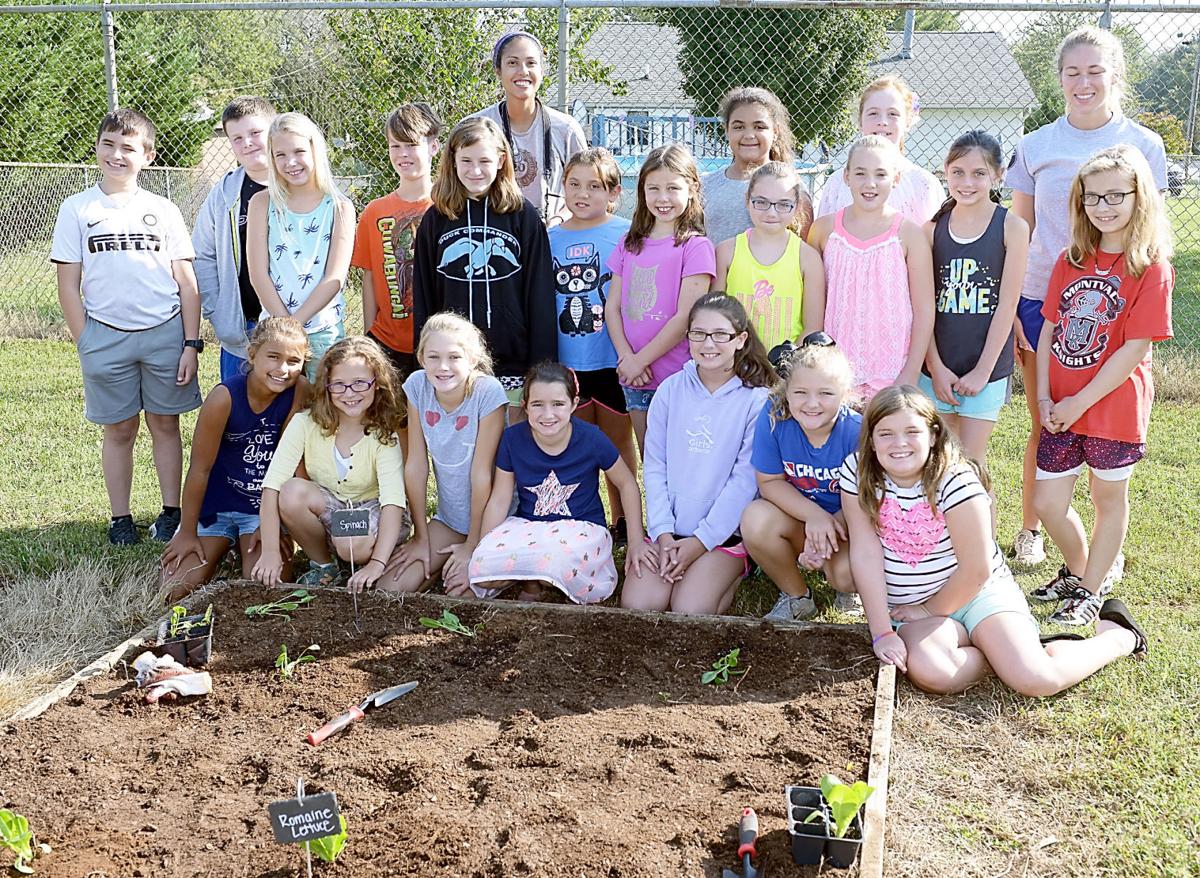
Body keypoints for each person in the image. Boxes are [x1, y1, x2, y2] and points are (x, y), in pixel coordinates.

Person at [844, 386, 1147, 697]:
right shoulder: (858, 472)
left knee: (1035, 679)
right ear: (870, 438)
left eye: (912, 431)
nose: (900, 444)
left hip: (977, 594)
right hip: (913, 603)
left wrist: (928, 610)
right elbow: (865, 553)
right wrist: (882, 632)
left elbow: (976, 571)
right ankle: (998, 650)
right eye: (885, 434)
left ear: (933, 434)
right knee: (934, 673)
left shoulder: (957, 480)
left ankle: (1117, 638)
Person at [1007, 25, 1168, 567]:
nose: (1083, 82)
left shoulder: (1145, 144)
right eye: (1072, 72)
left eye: (1095, 71)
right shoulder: (1036, 145)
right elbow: (1019, 230)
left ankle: (1103, 546)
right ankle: (1032, 527)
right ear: (1058, 79)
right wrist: (1012, 309)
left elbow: (1150, 228)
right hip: (1044, 298)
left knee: (1102, 412)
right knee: (1045, 416)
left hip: (1113, 301)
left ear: (1115, 75)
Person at [1031, 145, 1174, 625]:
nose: (1104, 206)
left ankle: (1091, 590)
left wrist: (1078, 402)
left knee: (1106, 500)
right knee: (1048, 503)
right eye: (1093, 197)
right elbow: (1050, 327)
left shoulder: (1150, 266)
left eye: (1117, 194)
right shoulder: (1072, 258)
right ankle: (1082, 570)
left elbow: (1134, 348)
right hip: (1062, 405)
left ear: (1140, 197)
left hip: (1112, 408)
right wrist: (1048, 397)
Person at [51, 108, 202, 546]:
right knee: (119, 428)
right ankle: (121, 519)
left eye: (129, 148)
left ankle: (170, 512)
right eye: (109, 145)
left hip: (164, 332)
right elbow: (68, 285)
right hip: (105, 334)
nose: (117, 155)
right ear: (97, 148)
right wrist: (87, 341)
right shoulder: (78, 208)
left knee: (165, 423)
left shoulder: (163, 209)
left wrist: (190, 343)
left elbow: (186, 283)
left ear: (148, 156)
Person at [620, 294, 773, 615]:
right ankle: (675, 554)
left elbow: (744, 482)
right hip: (671, 530)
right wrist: (661, 532)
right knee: (639, 606)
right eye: (698, 334)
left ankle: (736, 572)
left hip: (720, 535)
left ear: (740, 339)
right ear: (687, 337)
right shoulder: (670, 390)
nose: (708, 344)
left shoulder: (756, 401)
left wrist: (701, 541)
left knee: (689, 610)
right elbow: (655, 466)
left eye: (720, 335)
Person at [468, 362, 650, 604]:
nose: (548, 414)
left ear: (574, 404)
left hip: (581, 529)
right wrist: (482, 547)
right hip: (529, 527)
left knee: (554, 562)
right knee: (482, 568)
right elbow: (500, 498)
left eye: (558, 404)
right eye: (537, 405)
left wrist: (636, 541)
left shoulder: (591, 438)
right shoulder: (513, 438)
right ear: (525, 406)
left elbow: (627, 483)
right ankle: (532, 580)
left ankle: (535, 578)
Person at [412, 116, 555, 420]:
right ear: (452, 160)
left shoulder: (522, 217)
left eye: (484, 161)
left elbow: (540, 293)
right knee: (464, 449)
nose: (475, 170)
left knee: (509, 448)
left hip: (512, 359)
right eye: (466, 160)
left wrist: (542, 366)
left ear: (502, 160)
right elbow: (424, 293)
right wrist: (426, 355)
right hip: (454, 362)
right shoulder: (436, 219)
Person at [160, 318, 309, 600]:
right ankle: (222, 544)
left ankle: (241, 548)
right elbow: (199, 470)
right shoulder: (224, 397)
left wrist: (274, 528)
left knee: (264, 589)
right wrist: (188, 531)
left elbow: (292, 464)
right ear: (252, 355)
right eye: (273, 357)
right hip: (216, 505)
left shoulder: (300, 390)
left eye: (293, 360)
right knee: (174, 591)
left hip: (261, 508)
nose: (282, 369)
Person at [254, 336, 411, 591]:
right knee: (291, 491)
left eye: (360, 383)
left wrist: (377, 564)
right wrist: (270, 551)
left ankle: (371, 556)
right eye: (339, 385)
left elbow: (393, 502)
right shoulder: (304, 424)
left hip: (375, 510)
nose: (350, 394)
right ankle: (324, 565)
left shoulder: (384, 434)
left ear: (377, 384)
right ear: (326, 386)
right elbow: (272, 486)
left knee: (352, 543)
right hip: (332, 507)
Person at [920, 131, 1028, 467]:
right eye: (958, 173)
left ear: (997, 175)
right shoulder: (930, 230)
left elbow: (1006, 306)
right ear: (946, 171)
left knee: (971, 462)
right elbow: (921, 309)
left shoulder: (1012, 227)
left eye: (979, 174)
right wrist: (936, 369)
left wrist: (982, 372)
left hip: (987, 369)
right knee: (938, 462)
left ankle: (981, 523)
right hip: (938, 367)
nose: (967, 182)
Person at [548, 146, 639, 544]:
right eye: (574, 184)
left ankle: (623, 519)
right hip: (570, 361)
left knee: (618, 442)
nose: (583, 194)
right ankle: (586, 519)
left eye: (595, 186)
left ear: (614, 192)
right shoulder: (549, 238)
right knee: (580, 441)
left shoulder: (625, 234)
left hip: (612, 358)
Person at [379, 314, 508, 593]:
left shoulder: (488, 393)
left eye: (454, 357)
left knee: (461, 595)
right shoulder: (417, 386)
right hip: (451, 519)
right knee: (390, 587)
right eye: (434, 357)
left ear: (473, 359)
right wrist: (421, 537)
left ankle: (484, 564)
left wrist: (473, 544)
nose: (443, 367)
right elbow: (415, 465)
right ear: (422, 358)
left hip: (492, 521)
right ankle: (443, 558)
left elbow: (481, 474)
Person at [742, 334, 862, 622]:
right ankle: (797, 596)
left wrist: (827, 534)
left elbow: (865, 501)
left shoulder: (857, 431)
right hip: (799, 517)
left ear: (844, 394)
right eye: (800, 393)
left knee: (844, 576)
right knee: (755, 519)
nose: (812, 403)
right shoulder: (774, 417)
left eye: (825, 393)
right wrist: (814, 518)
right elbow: (769, 482)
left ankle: (850, 590)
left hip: (850, 522)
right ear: (787, 391)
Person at [605, 143, 715, 453]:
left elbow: (685, 317)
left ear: (692, 188)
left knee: (681, 459)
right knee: (650, 459)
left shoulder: (695, 247)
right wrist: (627, 359)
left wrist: (641, 360)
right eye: (653, 188)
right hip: (635, 377)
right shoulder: (629, 243)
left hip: (675, 376)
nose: (662, 198)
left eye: (672, 188)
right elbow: (613, 307)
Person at [808, 135, 934, 402]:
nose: (870, 183)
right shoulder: (823, 230)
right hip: (835, 367)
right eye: (861, 173)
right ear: (846, 176)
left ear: (896, 179)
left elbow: (924, 308)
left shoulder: (909, 234)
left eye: (880, 174)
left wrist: (911, 371)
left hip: (891, 369)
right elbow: (814, 302)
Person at [247, 112, 356, 380]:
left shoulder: (340, 207)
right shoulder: (261, 204)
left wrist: (296, 325)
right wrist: (283, 326)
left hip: (323, 330)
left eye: (298, 151)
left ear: (314, 150)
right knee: (276, 410)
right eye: (280, 155)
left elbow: (335, 278)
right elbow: (258, 274)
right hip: (273, 327)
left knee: (322, 410)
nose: (291, 162)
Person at [352, 102, 442, 380]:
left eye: (411, 144)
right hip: (387, 342)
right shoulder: (374, 212)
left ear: (433, 147)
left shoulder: (448, 208)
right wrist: (369, 338)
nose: (403, 154)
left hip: (437, 344)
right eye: (395, 146)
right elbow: (370, 277)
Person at [193, 96, 277, 381]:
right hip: (241, 330)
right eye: (237, 138)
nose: (247, 143)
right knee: (238, 414)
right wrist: (218, 311)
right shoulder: (224, 194)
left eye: (255, 133)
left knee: (296, 417)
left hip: (293, 324)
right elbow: (203, 254)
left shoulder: (300, 187)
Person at [471, 31, 587, 225]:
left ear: (542, 71)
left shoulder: (566, 129)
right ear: (498, 70)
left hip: (552, 236)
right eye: (512, 63)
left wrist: (557, 220)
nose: (522, 71)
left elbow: (586, 191)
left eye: (531, 63)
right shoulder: (476, 125)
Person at [713, 161, 826, 351]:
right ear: (747, 200)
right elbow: (714, 317)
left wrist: (783, 366)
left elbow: (812, 328)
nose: (771, 212)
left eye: (783, 204)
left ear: (797, 206)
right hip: (734, 367)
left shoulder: (807, 258)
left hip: (784, 371)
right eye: (761, 202)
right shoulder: (726, 252)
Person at [816, 76, 943, 224]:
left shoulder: (924, 184)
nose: (882, 122)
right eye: (873, 113)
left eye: (893, 114)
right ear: (860, 121)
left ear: (907, 122)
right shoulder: (838, 183)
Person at [701, 87, 811, 246]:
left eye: (759, 127)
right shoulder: (707, 186)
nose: (749, 135)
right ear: (726, 130)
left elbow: (804, 250)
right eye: (738, 127)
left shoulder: (793, 188)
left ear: (775, 132)